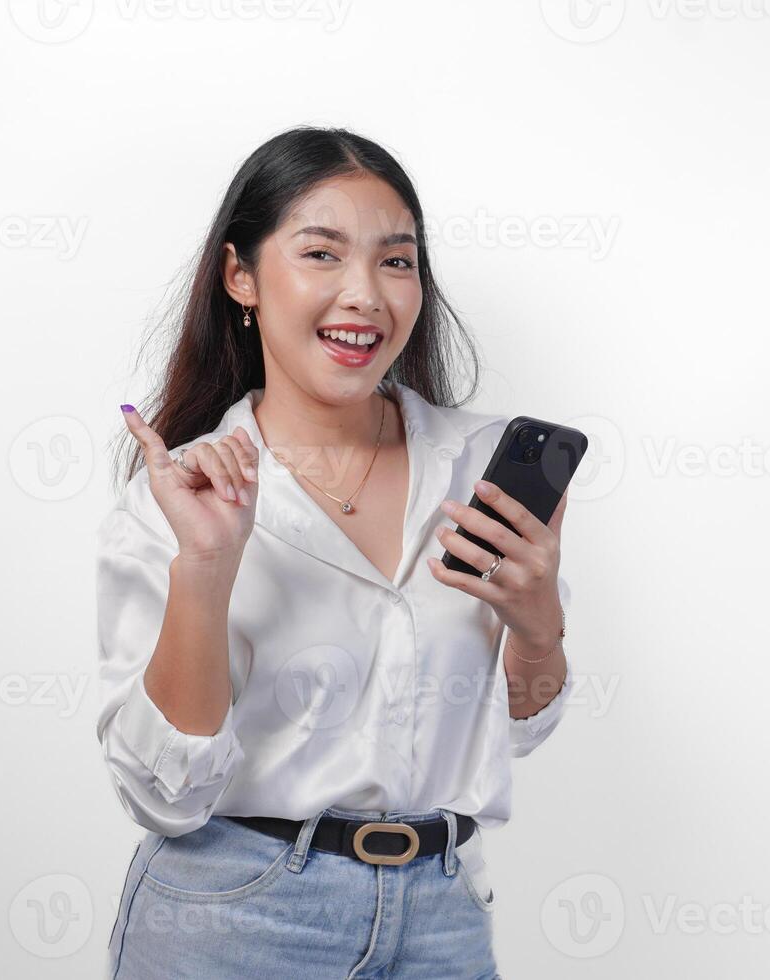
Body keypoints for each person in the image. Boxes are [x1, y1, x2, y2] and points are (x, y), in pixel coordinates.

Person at [97, 125, 574, 979]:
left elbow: (516, 730)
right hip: (237, 919)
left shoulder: (480, 466)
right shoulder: (176, 501)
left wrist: (540, 628)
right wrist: (204, 570)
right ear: (240, 275)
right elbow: (165, 796)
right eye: (321, 254)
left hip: (442, 918)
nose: (366, 295)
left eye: (396, 262)